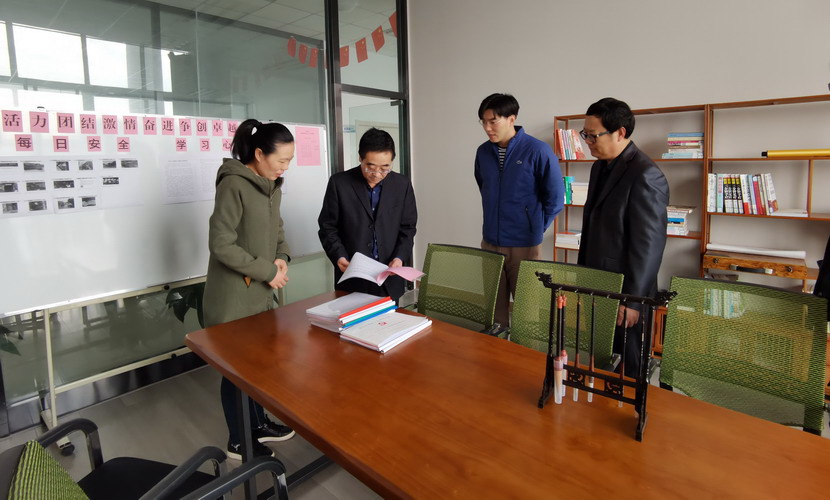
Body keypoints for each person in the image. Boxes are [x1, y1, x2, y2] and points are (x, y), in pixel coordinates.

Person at [203, 119, 296, 460]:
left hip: (259, 296)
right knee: (236, 371)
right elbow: (221, 244)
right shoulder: (234, 184)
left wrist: (282, 257)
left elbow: (278, 231)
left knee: (257, 365)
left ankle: (257, 424)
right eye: (281, 160)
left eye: (289, 160)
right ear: (259, 154)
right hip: (234, 298)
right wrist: (267, 271)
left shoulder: (271, 186)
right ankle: (239, 440)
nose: (285, 167)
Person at [577, 97, 669, 377]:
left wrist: (632, 300)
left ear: (620, 132)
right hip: (598, 282)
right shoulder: (599, 167)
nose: (588, 142)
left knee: (627, 367)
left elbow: (648, 247)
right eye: (585, 135)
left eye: (593, 135)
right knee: (600, 359)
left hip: (626, 291)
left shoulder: (646, 174)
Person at [475, 93, 564, 327]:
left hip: (525, 245)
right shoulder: (483, 152)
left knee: (528, 312)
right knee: (493, 313)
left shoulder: (537, 150)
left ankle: (525, 350)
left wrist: (534, 227)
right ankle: (496, 348)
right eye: (483, 122)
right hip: (490, 242)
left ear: (511, 119)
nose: (487, 128)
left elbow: (555, 199)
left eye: (493, 121)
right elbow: (484, 188)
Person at [318, 128, 417, 302]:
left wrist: (399, 257)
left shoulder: (402, 184)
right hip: (352, 276)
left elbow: (407, 228)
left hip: (389, 277)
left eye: (385, 168)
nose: (377, 174)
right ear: (360, 158)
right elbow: (328, 227)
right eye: (370, 167)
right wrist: (339, 255)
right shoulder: (339, 183)